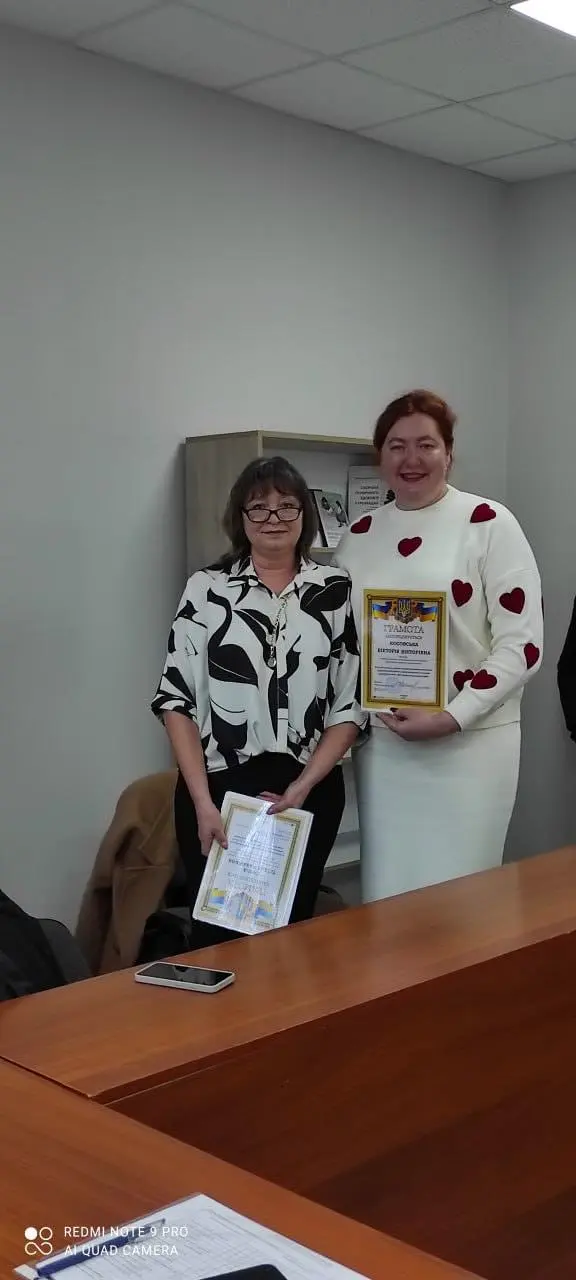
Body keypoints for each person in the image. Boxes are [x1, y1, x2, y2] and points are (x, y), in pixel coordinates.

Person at [335, 390, 543, 902]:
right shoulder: (358, 535)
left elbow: (522, 646)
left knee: (463, 899)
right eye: (396, 446)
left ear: (449, 452)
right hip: (386, 750)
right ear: (380, 456)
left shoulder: (490, 524)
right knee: (389, 892)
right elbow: (343, 643)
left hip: (471, 746)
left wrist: (453, 715)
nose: (411, 459)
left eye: (425, 444)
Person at [152, 456, 367, 947]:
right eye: (259, 507)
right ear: (240, 517)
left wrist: (303, 787)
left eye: (287, 506)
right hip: (220, 789)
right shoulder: (206, 590)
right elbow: (175, 702)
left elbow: (349, 706)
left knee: (289, 938)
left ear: (305, 515)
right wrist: (203, 802)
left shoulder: (335, 590)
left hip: (307, 788)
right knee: (219, 942)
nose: (274, 519)